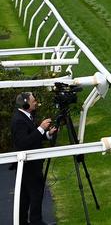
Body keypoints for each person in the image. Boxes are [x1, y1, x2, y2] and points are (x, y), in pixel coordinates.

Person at [11, 92, 57, 225]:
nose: (36, 102)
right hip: (29, 165)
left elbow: (33, 137)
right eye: (33, 101)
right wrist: (41, 128)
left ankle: (23, 221)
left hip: (29, 164)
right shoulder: (19, 120)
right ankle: (36, 221)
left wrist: (47, 133)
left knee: (25, 197)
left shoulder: (26, 116)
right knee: (35, 193)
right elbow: (23, 143)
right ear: (26, 104)